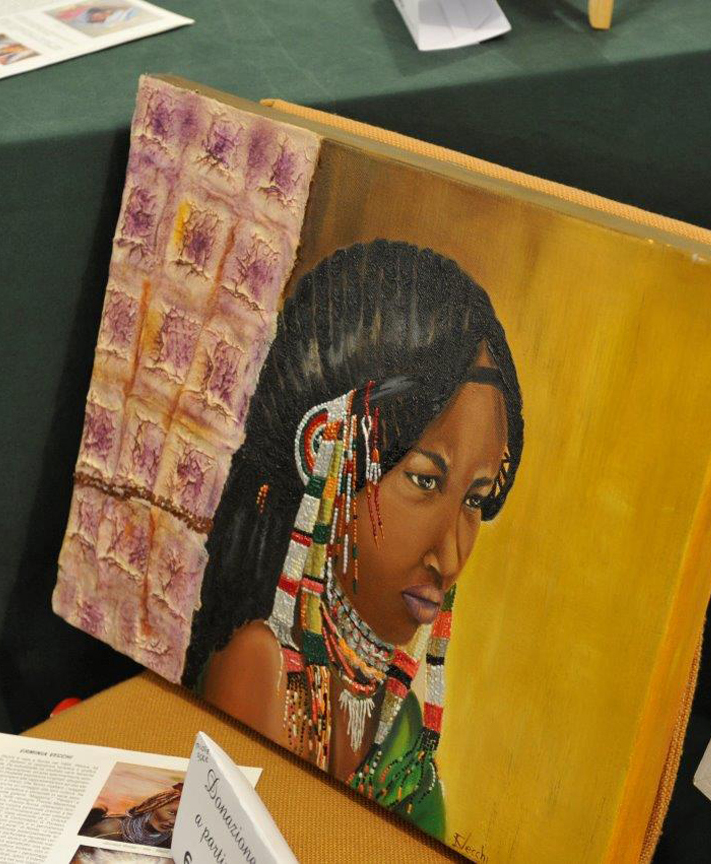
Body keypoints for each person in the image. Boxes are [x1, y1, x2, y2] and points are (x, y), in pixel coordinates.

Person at [185, 240, 524, 839]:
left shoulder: (401, 722)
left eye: (474, 501)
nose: (450, 557)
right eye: (424, 480)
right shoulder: (260, 672)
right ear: (329, 454)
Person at [80, 783, 181, 848]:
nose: (173, 822)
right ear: (154, 805)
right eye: (171, 813)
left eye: (181, 817)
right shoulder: (110, 829)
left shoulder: (170, 843)